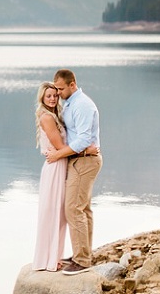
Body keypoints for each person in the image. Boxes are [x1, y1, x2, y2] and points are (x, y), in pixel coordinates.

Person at [46, 69, 102, 276]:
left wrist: (60, 154)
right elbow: (76, 137)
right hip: (80, 159)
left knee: (73, 209)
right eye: (56, 89)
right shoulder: (69, 104)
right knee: (83, 209)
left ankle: (82, 260)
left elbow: (84, 138)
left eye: (61, 89)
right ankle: (83, 253)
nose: (58, 93)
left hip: (85, 162)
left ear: (72, 84)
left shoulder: (82, 105)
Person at [32, 81, 68, 271]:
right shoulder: (47, 117)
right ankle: (49, 259)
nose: (53, 98)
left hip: (59, 163)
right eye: (49, 96)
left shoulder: (55, 115)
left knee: (59, 214)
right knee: (52, 213)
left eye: (55, 95)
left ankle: (54, 256)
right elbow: (60, 147)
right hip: (55, 167)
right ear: (42, 98)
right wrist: (86, 151)